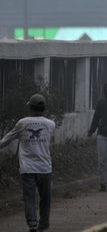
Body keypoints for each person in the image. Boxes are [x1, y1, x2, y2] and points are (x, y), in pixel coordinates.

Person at [0, 94, 56, 232]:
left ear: (30, 107)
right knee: (45, 198)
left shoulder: (22, 123)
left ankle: (32, 223)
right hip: (45, 168)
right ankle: (44, 224)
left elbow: (7, 139)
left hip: (28, 168)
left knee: (29, 197)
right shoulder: (51, 124)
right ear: (44, 108)